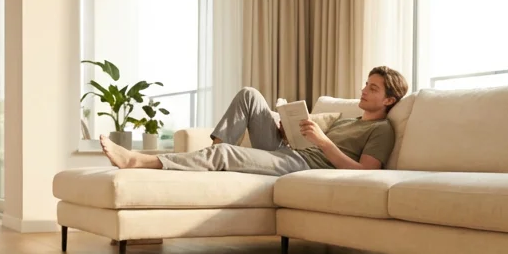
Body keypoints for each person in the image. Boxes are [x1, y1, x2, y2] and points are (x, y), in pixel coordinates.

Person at [99, 65, 409, 176]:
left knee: (224, 154)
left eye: (373, 88)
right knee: (249, 94)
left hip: (303, 166)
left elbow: (366, 172)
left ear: (389, 100)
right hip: (291, 151)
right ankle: (214, 160)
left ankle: (138, 161)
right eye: (366, 84)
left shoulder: (382, 130)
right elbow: (303, 141)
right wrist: (287, 132)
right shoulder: (347, 120)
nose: (364, 90)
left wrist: (323, 141)